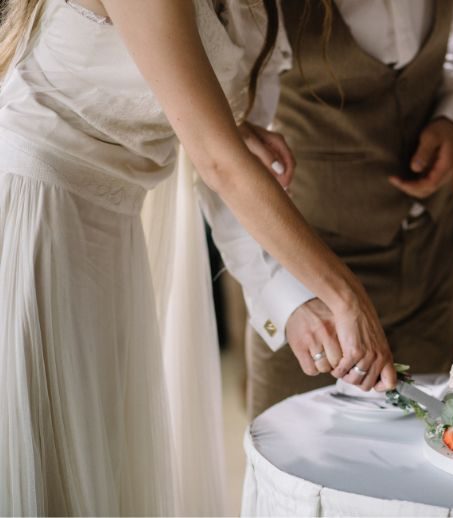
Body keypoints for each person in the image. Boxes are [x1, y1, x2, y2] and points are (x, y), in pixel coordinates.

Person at [0, 0, 396, 514]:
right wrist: (345, 293)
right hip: (38, 214)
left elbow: (213, 140)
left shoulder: (258, 13)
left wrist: (292, 300)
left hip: (113, 237)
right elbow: (219, 161)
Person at [241, 0, 453, 418]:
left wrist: (452, 117)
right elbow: (228, 158)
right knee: (299, 470)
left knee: (420, 459)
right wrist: (286, 299)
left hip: (428, 262)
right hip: (309, 288)